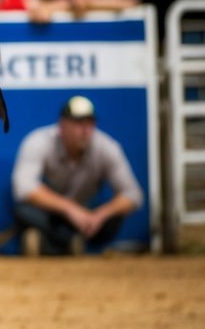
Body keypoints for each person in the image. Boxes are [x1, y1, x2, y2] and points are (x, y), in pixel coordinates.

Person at [12, 95, 144, 256]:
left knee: (113, 219)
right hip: (50, 213)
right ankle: (71, 242)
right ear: (62, 126)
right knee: (24, 210)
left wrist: (100, 215)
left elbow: (133, 194)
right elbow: (23, 188)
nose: (85, 130)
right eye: (78, 123)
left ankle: (55, 243)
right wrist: (69, 209)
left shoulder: (107, 147)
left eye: (90, 123)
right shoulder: (38, 141)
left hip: (87, 215)